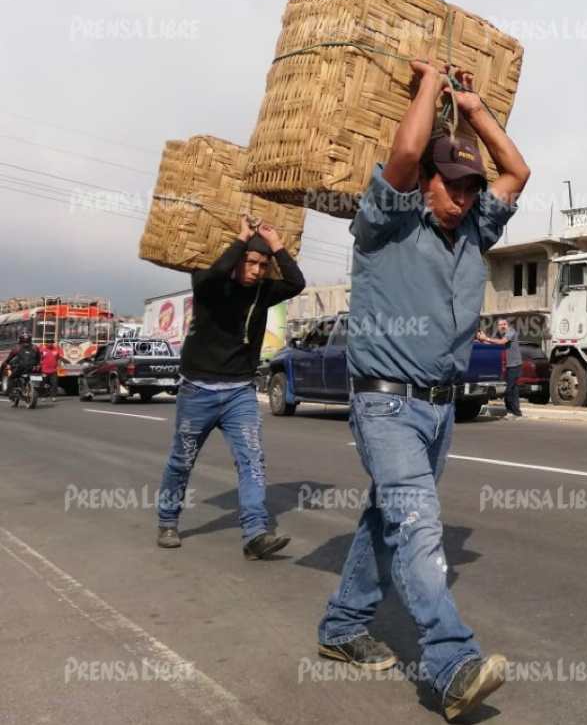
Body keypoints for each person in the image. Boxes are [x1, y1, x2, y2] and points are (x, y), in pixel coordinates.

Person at [316, 61, 530, 723]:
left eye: (471, 188)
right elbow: (406, 152)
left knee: (388, 522)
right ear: (425, 186)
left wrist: (474, 110)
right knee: (418, 525)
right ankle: (451, 661)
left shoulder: (472, 231)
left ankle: (343, 625)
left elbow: (517, 172)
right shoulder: (387, 225)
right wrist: (430, 83)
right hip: (385, 403)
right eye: (453, 186)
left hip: (439, 408)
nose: (465, 197)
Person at [155, 218, 305, 558]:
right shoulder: (209, 285)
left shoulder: (264, 292)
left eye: (262, 266)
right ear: (237, 259)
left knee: (252, 461)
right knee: (182, 461)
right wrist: (241, 239)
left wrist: (275, 244)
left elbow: (296, 282)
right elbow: (212, 275)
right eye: (251, 263)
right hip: (198, 390)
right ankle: (167, 521)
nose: (256, 271)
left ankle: (255, 534)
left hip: (239, 392)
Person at [478, 318, 522, 417]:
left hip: (515, 365)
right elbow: (492, 343)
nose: (502, 326)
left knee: (509, 390)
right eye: (500, 325)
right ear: (497, 327)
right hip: (507, 366)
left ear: (508, 325)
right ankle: (516, 412)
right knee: (513, 390)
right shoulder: (499, 335)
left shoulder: (511, 332)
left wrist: (486, 338)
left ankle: (512, 411)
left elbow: (502, 342)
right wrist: (481, 339)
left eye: (504, 324)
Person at [3, 332, 42, 400]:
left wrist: (6, 363)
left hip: (21, 368)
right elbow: (39, 358)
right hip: (32, 368)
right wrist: (37, 365)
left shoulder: (17, 348)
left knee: (11, 378)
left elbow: (10, 358)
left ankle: (10, 393)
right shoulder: (35, 347)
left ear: (20, 339)